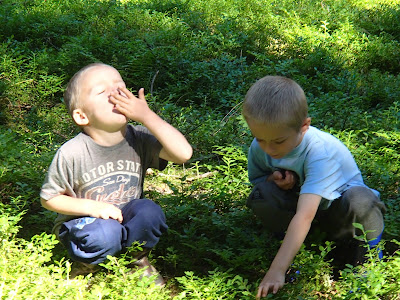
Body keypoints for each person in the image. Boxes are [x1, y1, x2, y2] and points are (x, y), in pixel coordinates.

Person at [40, 63, 192, 284]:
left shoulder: (139, 138)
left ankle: (136, 261)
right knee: (104, 233)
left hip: (125, 218)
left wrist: (147, 116)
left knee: (149, 211)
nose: (115, 93)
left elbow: (184, 154)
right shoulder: (72, 152)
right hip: (84, 226)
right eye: (102, 92)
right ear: (82, 116)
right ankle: (88, 265)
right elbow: (49, 198)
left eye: (120, 86)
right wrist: (93, 208)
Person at [242, 76, 386, 298]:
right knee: (263, 195)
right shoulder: (260, 145)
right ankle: (298, 252)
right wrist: (274, 181)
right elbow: (259, 181)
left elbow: (304, 216)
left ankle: (367, 257)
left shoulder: (319, 152)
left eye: (278, 141)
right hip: (306, 209)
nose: (268, 148)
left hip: (340, 213)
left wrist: (275, 271)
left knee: (361, 201)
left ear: (304, 126)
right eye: (260, 139)